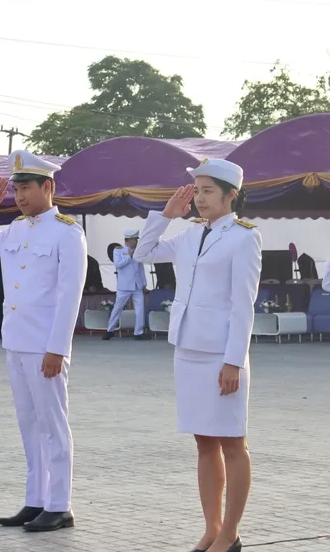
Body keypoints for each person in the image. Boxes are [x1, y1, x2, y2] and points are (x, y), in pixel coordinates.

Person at [132, 159, 260, 552]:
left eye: (207, 191)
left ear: (230, 195)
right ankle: (212, 528)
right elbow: (143, 253)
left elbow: (244, 305)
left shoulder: (243, 237)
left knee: (233, 444)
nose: (200, 199)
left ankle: (231, 533)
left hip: (222, 355)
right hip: (188, 350)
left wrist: (233, 361)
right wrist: (165, 215)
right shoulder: (189, 234)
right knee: (204, 442)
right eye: (196, 191)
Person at [0, 150, 87, 533]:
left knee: (53, 424)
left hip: (45, 344)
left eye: (25, 188)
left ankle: (60, 504)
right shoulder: (15, 229)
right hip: (16, 341)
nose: (18, 196)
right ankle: (36, 500)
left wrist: (58, 348)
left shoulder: (68, 231)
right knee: (28, 424)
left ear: (47, 187)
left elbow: (70, 295)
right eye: (15, 189)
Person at [103, 229, 148, 341]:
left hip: (137, 285)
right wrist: (129, 257)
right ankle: (110, 330)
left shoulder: (138, 250)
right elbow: (118, 265)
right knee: (117, 308)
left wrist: (144, 284)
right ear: (129, 240)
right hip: (124, 286)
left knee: (140, 309)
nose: (137, 242)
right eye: (135, 240)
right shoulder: (118, 251)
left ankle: (138, 332)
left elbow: (140, 268)